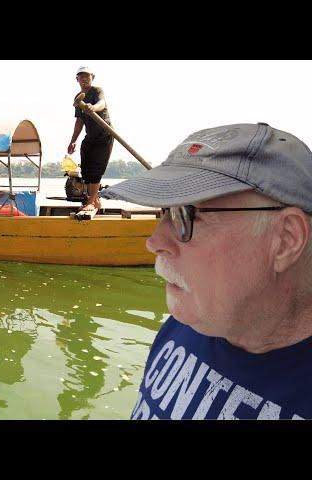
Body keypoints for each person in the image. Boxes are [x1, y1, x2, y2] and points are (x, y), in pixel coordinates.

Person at [99, 122, 312, 420]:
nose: (154, 241)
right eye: (166, 211)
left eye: (187, 214)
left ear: (286, 240)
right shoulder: (186, 323)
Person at [67, 66, 114, 212]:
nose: (84, 79)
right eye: (81, 77)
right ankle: (95, 200)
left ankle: (91, 201)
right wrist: (73, 140)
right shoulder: (78, 98)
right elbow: (79, 121)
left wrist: (93, 107)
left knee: (96, 169)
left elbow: (102, 103)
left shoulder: (97, 91)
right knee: (86, 169)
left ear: (92, 77)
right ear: (77, 79)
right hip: (91, 137)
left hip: (104, 135)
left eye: (87, 76)